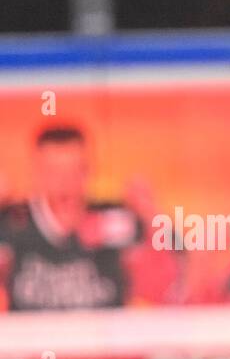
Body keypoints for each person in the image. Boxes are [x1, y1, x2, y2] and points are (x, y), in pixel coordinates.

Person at [0, 125, 176, 311]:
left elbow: (176, 270)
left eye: (76, 171)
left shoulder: (113, 218)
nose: (65, 183)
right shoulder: (13, 222)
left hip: (103, 336)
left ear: (89, 170)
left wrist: (150, 213)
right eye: (53, 172)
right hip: (31, 338)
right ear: (36, 173)